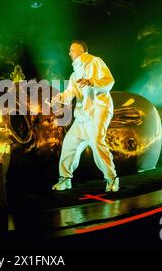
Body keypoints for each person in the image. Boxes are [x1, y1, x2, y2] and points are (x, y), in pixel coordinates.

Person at [50, 40, 119, 192]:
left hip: (99, 110)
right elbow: (70, 93)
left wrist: (90, 81)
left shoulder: (95, 61)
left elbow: (109, 81)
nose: (69, 53)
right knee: (69, 143)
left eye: (72, 50)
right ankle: (65, 179)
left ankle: (112, 178)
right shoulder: (74, 75)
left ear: (81, 50)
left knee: (96, 141)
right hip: (83, 115)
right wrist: (59, 98)